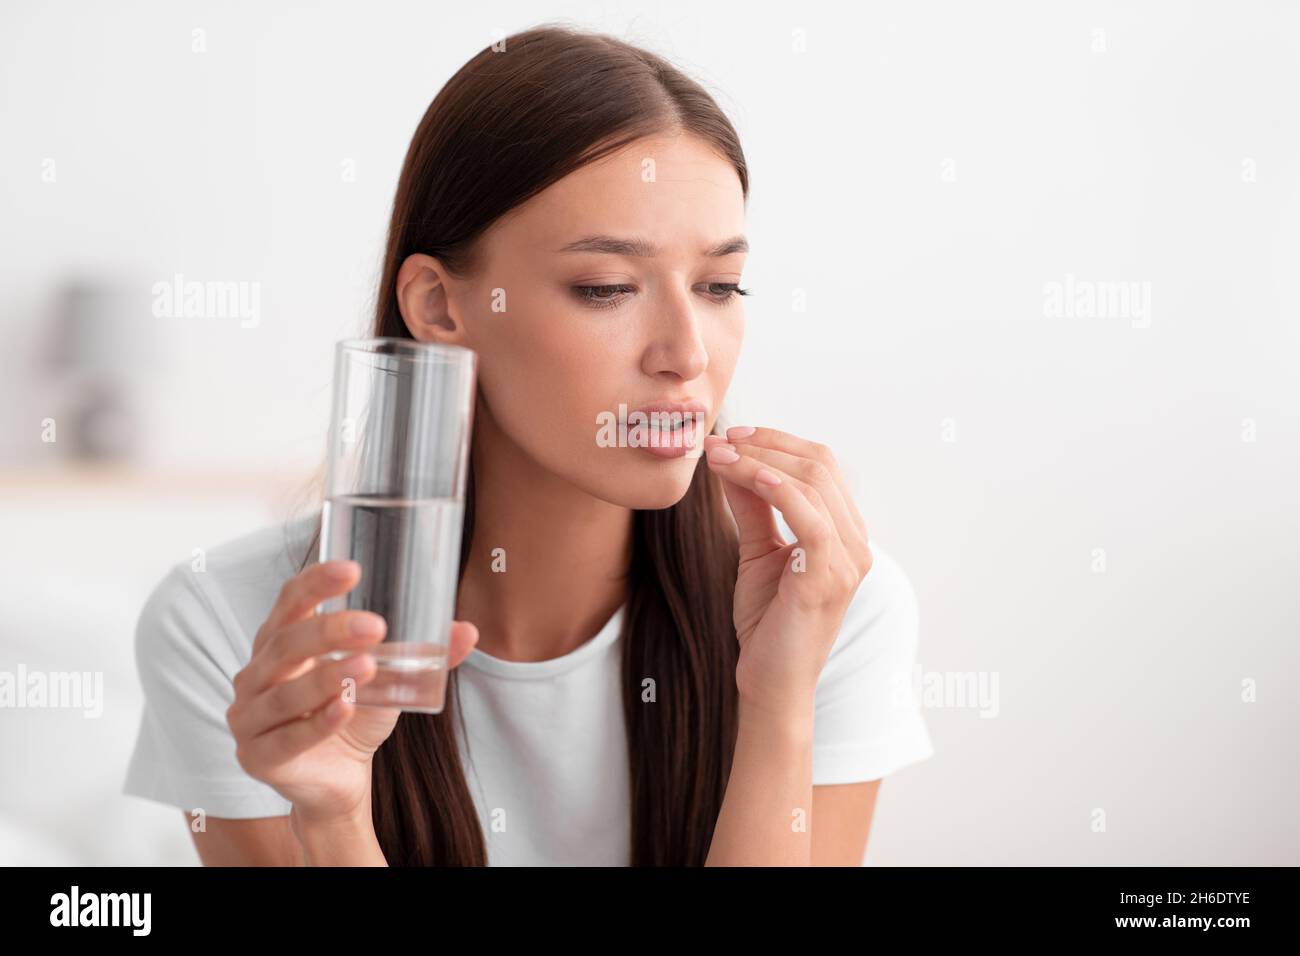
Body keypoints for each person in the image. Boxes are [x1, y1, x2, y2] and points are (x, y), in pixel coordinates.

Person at [122, 23, 934, 866]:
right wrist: (333, 820)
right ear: (438, 306)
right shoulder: (231, 626)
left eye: (719, 285)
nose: (688, 355)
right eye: (605, 288)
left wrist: (777, 704)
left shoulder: (824, 610)